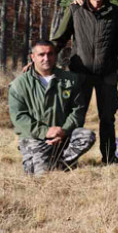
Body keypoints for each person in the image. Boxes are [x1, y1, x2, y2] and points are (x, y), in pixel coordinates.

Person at [50, 0, 118, 164]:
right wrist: (42, 57)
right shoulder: (75, 10)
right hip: (79, 74)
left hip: (106, 74)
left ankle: (109, 157)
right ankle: (67, 158)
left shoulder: (115, 12)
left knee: (107, 118)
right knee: (75, 117)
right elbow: (60, 38)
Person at [9, 40, 95, 175]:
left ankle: (61, 162)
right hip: (35, 138)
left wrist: (63, 130)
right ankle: (46, 163)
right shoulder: (19, 84)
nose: (46, 58)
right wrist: (45, 132)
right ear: (33, 57)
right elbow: (19, 117)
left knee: (86, 136)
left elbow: (77, 110)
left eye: (50, 54)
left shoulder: (70, 80)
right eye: (41, 55)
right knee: (42, 176)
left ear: (55, 56)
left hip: (63, 136)